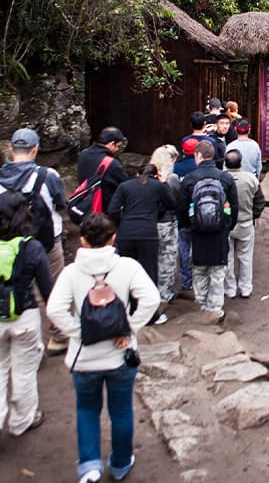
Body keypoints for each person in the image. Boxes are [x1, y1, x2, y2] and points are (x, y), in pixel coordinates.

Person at [47, 212, 159, 483]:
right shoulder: (127, 267)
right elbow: (151, 299)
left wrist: (81, 333)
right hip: (120, 355)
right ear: (113, 238)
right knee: (121, 410)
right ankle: (120, 464)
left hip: (84, 359)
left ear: (82, 241)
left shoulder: (72, 272)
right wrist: (128, 328)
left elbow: (54, 309)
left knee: (87, 410)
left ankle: (90, 466)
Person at [0, 127, 68, 354]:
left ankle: (25, 338)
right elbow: (60, 204)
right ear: (36, 148)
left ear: (10, 148)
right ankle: (57, 337)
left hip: (7, 245)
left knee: (15, 285)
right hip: (46, 241)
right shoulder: (47, 176)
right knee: (53, 288)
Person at [0, 190, 53, 437]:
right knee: (23, 370)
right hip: (25, 314)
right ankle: (23, 420)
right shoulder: (31, 247)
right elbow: (46, 287)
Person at [107, 163, 176, 325]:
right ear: (156, 175)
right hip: (147, 234)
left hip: (125, 234)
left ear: (138, 174)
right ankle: (150, 315)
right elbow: (172, 204)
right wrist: (163, 185)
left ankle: (124, 310)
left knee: (123, 273)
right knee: (148, 273)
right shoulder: (158, 186)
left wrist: (122, 222)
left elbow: (113, 210)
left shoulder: (124, 186)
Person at [178, 140, 237, 321]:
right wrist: (228, 226)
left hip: (198, 233)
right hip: (220, 233)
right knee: (218, 272)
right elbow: (233, 206)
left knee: (200, 270)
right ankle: (216, 309)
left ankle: (202, 307)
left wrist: (188, 225)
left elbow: (181, 208)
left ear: (198, 155)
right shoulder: (226, 178)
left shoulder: (190, 179)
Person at [224, 149, 265, 300]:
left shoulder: (221, 179)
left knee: (227, 258)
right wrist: (253, 215)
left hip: (226, 224)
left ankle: (229, 289)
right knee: (245, 257)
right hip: (246, 222)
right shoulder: (250, 179)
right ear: (241, 163)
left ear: (225, 163)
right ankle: (245, 288)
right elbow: (260, 201)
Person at [149, 145, 181, 304]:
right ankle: (164, 292)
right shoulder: (172, 179)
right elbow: (177, 201)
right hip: (168, 222)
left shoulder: (144, 176)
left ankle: (150, 290)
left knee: (151, 258)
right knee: (167, 257)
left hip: (149, 222)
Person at [76, 127, 131, 213]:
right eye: (118, 146)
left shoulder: (83, 154)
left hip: (84, 205)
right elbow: (126, 185)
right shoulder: (111, 164)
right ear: (112, 144)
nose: (117, 149)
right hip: (102, 210)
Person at [173, 137, 202, 298]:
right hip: (200, 212)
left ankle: (186, 280)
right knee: (199, 244)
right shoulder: (199, 168)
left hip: (181, 211)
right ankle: (200, 278)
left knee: (183, 246)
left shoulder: (175, 167)